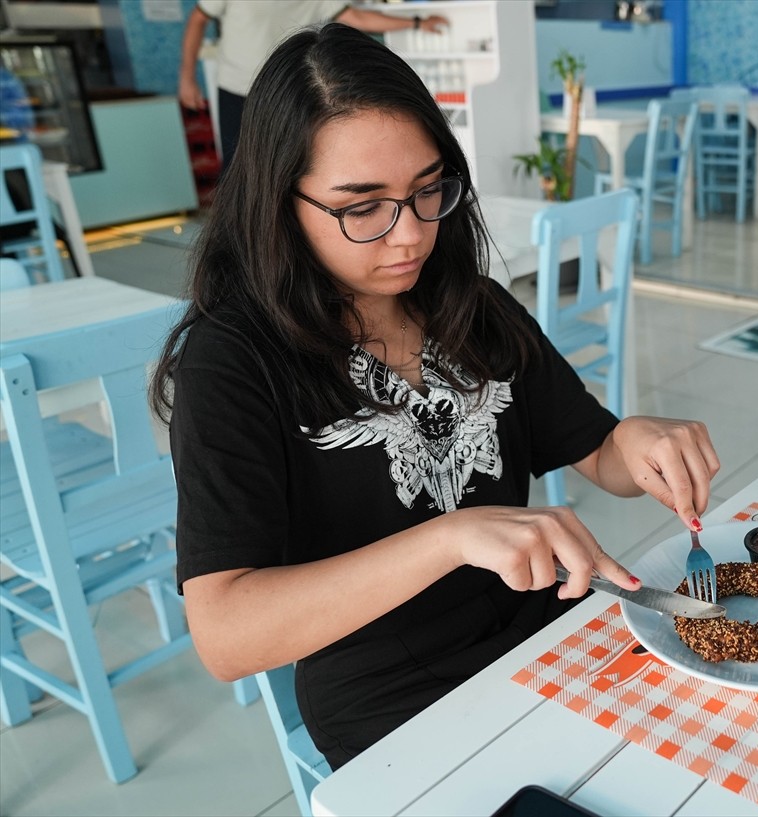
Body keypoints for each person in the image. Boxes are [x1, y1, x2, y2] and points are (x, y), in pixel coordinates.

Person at [151, 23, 721, 771]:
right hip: (393, 699)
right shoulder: (235, 362)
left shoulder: (471, 306)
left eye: (428, 190)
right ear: (279, 201)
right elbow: (226, 636)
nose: (410, 236)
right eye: (363, 207)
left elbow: (600, 453)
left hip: (548, 635)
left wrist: (638, 440)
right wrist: (450, 537)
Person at [177, 0, 450, 167]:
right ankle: (235, 240)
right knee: (236, 166)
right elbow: (198, 19)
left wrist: (417, 23)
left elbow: (356, 18)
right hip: (237, 88)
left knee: (287, 166)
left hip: (287, 91)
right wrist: (187, 77)